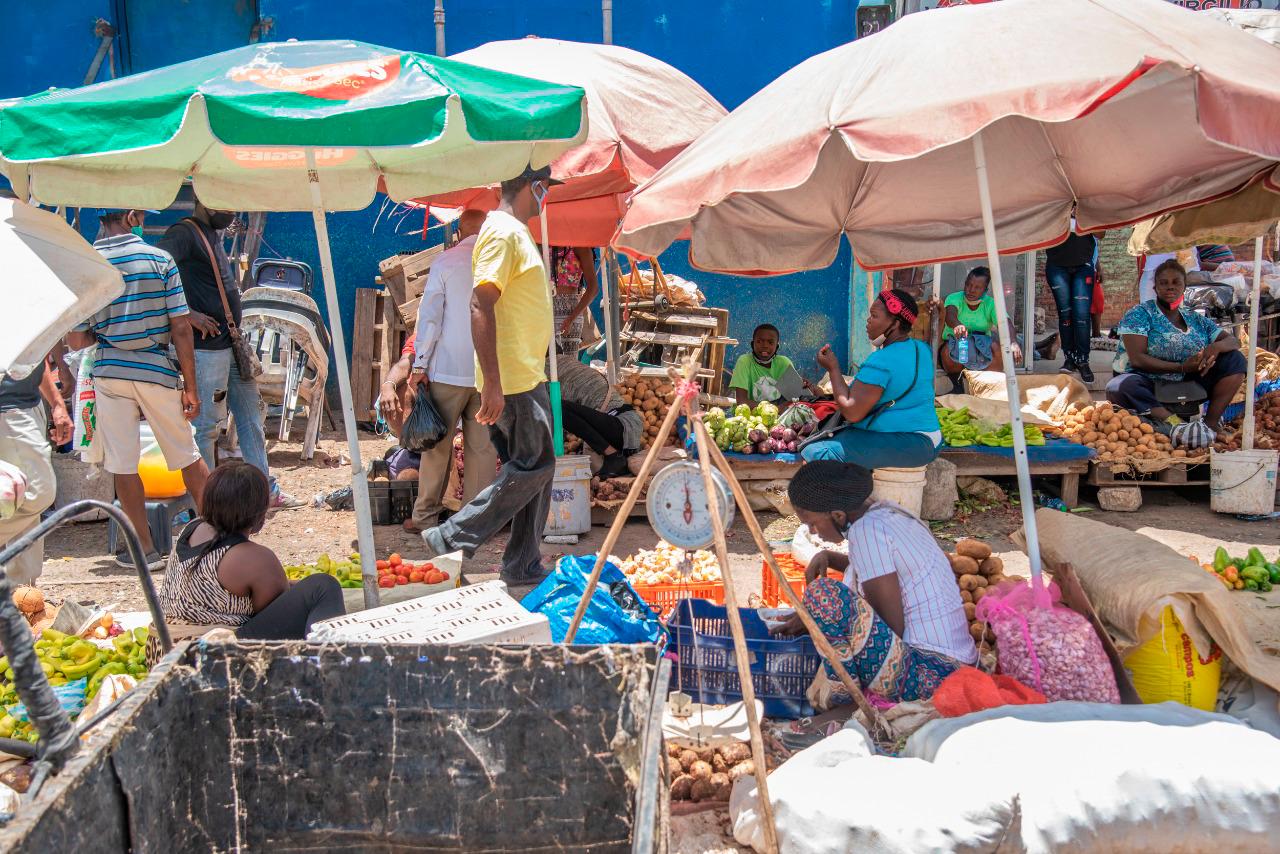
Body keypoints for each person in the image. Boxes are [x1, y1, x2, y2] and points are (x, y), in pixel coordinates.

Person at [420, 164, 558, 583]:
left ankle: (522, 563)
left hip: (523, 373)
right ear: (533, 187)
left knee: (534, 468)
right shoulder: (502, 232)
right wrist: (494, 383)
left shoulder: (513, 232)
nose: (546, 197)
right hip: (513, 377)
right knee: (535, 466)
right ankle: (453, 534)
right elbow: (480, 304)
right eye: (545, 189)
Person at [69, 209, 209, 569]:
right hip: (156, 371)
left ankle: (145, 551)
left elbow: (77, 339)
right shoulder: (160, 260)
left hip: (109, 373)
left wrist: (109, 330)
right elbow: (181, 327)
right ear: (132, 216)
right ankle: (218, 537)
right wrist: (191, 387)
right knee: (187, 454)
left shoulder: (88, 264)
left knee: (123, 464)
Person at [774, 461, 976, 703]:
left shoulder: (866, 532)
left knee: (822, 595)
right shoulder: (888, 514)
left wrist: (815, 618)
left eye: (812, 524)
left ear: (838, 515)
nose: (813, 532)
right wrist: (831, 558)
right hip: (957, 667)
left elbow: (890, 628)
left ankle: (844, 702)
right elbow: (885, 571)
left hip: (929, 674)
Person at [157, 202, 303, 510]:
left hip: (231, 345)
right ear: (205, 202)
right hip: (206, 351)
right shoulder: (183, 233)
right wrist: (187, 314)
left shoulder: (210, 234)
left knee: (251, 418)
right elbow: (156, 273)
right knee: (206, 428)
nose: (233, 214)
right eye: (227, 207)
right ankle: (203, 504)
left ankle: (263, 491)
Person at [397, 208, 497, 533]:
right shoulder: (498, 263)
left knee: (437, 448)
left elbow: (430, 319)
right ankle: (473, 523)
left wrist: (420, 365)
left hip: (447, 372)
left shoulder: (446, 261)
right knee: (482, 450)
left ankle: (425, 517)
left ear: (458, 233)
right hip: (486, 374)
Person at [159, 462, 344, 639]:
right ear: (259, 513)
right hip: (208, 651)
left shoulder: (191, 527)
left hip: (163, 645)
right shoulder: (255, 559)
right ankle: (331, 658)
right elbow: (277, 609)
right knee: (323, 587)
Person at [1106, 259, 1245, 444]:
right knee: (1118, 386)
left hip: (1186, 382)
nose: (1170, 287)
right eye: (1164, 283)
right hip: (1147, 381)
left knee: (1235, 360)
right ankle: (1176, 424)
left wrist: (1215, 347)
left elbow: (1234, 341)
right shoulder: (1140, 314)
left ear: (1184, 286)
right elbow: (1137, 359)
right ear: (1155, 288)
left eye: (1176, 282)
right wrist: (1181, 367)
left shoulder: (1195, 318)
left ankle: (1211, 423)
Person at [800, 289, 941, 469]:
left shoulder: (883, 360)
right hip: (930, 440)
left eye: (874, 316)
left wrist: (833, 369)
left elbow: (852, 411)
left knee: (817, 451)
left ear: (895, 324)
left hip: (911, 443)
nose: (868, 321)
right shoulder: (921, 349)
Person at [0, 355, 73, 583]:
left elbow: (35, 352)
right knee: (38, 493)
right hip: (9, 406)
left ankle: (20, 590)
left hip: (27, 403)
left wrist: (57, 403)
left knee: (23, 500)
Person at [556, 355, 642, 479]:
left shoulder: (549, 370)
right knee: (559, 408)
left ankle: (613, 456)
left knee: (558, 408)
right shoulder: (568, 362)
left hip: (623, 425)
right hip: (625, 427)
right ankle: (613, 456)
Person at [938, 266, 1021, 389]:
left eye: (977, 287)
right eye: (968, 285)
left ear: (985, 290)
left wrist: (1013, 342)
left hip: (981, 346)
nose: (971, 290)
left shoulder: (991, 303)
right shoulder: (954, 298)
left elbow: (1004, 323)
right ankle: (958, 385)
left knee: (997, 349)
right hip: (957, 343)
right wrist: (957, 325)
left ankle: (988, 387)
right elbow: (950, 315)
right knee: (949, 351)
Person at [1044, 225, 1100, 382]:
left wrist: (1083, 217)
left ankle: (1083, 360)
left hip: (1084, 264)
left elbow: (1100, 233)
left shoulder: (1086, 209)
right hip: (1057, 264)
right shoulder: (1056, 208)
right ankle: (1069, 358)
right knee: (1065, 314)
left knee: (1082, 315)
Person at [729, 324, 807, 406]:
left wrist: (804, 387)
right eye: (759, 341)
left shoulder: (784, 363)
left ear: (777, 347)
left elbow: (796, 398)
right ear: (752, 344)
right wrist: (775, 408)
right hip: (749, 413)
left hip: (778, 413)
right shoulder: (745, 361)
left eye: (770, 342)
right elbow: (742, 402)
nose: (765, 346)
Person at [550, 245, 600, 356]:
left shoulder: (581, 248)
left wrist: (571, 318)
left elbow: (593, 288)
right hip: (544, 310)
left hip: (569, 314)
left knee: (567, 362)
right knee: (545, 362)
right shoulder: (544, 246)